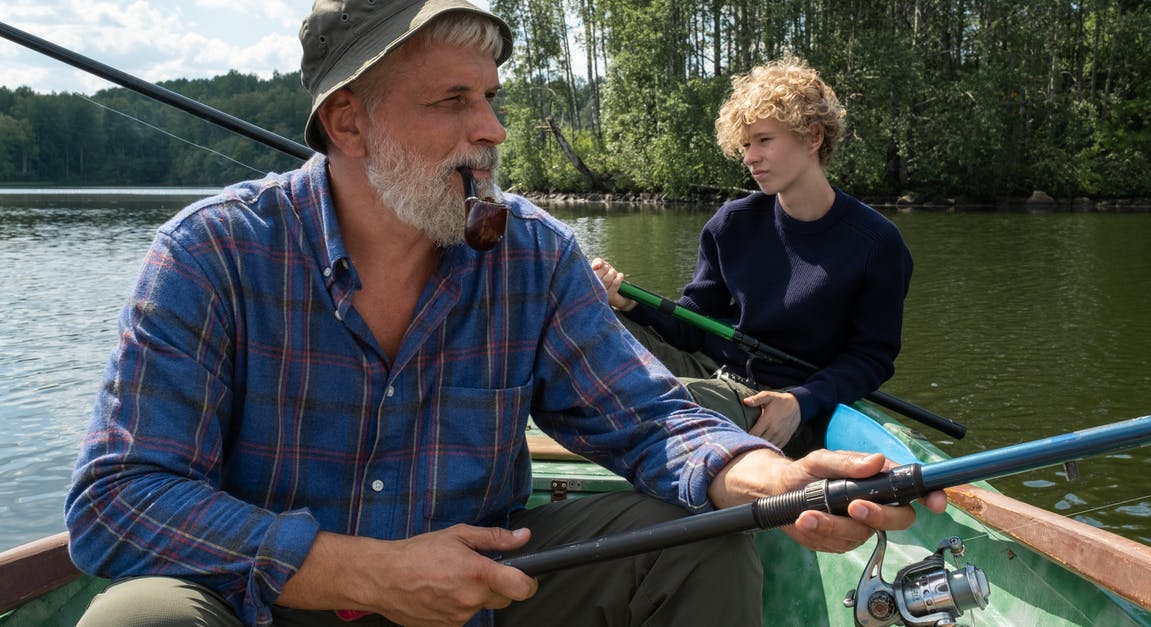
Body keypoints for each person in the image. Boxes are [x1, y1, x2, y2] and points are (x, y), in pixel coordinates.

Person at [65, 4, 941, 626]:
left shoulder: (531, 251)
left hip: (486, 596)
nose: (491, 129)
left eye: (491, 98)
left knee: (696, 537)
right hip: (268, 603)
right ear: (348, 122)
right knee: (136, 616)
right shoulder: (210, 253)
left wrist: (768, 476)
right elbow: (118, 500)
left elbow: (648, 418)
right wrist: (366, 570)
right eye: (452, 102)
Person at [593, 56, 914, 456]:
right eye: (745, 145)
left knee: (649, 393)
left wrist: (802, 401)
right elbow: (691, 325)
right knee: (590, 319)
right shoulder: (731, 224)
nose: (750, 158)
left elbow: (871, 359)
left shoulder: (877, 243)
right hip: (708, 372)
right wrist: (626, 303)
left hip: (777, 405)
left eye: (764, 140)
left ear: (813, 137)